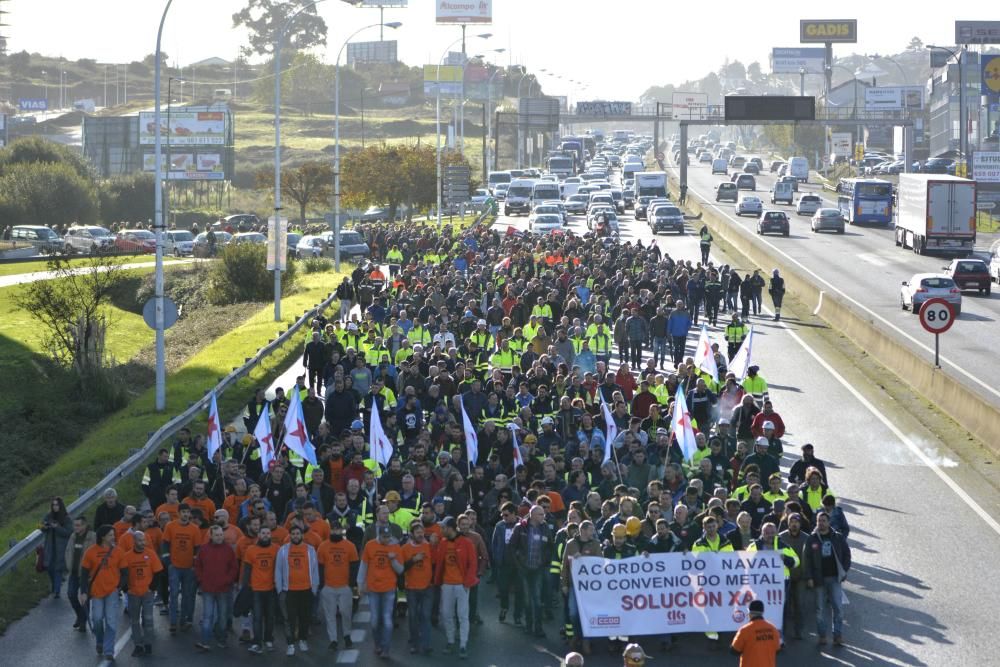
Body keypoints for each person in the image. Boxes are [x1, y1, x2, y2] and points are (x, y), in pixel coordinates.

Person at [433, 516, 479, 658]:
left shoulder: (466, 543)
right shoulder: (443, 543)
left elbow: (473, 563)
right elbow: (437, 561)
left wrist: (467, 582)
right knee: (447, 614)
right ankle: (451, 640)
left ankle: (463, 644)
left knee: (462, 615)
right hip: (447, 584)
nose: (441, 530)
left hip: (461, 585)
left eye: (443, 528)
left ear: (450, 528)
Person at [804, 511, 852, 647]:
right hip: (819, 579)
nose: (821, 523)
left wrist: (844, 570)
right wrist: (809, 577)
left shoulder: (837, 537)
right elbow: (806, 559)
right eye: (819, 521)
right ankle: (822, 635)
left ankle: (837, 635)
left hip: (834, 578)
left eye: (824, 521)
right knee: (819, 609)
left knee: (838, 608)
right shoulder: (811, 539)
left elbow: (847, 554)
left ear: (829, 522)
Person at [359, 523, 404, 658]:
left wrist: (393, 560)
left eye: (388, 537)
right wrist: (360, 584)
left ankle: (385, 648)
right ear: (379, 535)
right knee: (374, 621)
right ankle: (377, 644)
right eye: (384, 537)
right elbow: (364, 565)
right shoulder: (370, 546)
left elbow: (400, 570)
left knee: (387, 620)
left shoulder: (395, 547)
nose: (386, 540)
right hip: (373, 588)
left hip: (389, 588)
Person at [275, 524, 320, 655]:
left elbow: (315, 569)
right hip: (289, 591)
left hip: (306, 590)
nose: (295, 536)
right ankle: (290, 644)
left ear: (302, 535)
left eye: (297, 534)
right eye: (293, 534)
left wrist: (314, 588)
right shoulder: (283, 550)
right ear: (290, 536)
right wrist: (279, 589)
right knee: (289, 619)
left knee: (305, 617)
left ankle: (303, 640)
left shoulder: (310, 550)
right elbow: (278, 570)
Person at [194, 524, 239, 652]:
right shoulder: (204, 549)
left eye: (221, 535)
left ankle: (222, 639)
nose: (219, 537)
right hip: (208, 589)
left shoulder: (228, 550)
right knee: (207, 616)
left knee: (223, 616)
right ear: (211, 536)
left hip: (224, 589)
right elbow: (198, 566)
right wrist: (201, 579)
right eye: (217, 535)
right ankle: (205, 641)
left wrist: (228, 580)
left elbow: (234, 568)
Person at [119, 530, 164, 657]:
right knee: (134, 620)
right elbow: (123, 574)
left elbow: (158, 572)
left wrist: (152, 588)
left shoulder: (150, 554)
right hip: (133, 593)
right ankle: (138, 645)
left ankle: (148, 643)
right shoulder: (127, 556)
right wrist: (126, 589)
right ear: (134, 541)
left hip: (147, 593)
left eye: (144, 540)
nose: (142, 542)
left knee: (148, 619)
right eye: (140, 540)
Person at [79, 525, 120, 661]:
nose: (113, 537)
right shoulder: (91, 552)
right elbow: (84, 574)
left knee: (111, 621)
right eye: (110, 535)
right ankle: (100, 641)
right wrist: (84, 592)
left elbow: (125, 571)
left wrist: (119, 586)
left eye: (113, 535)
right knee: (97, 619)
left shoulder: (117, 551)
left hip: (112, 592)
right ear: (102, 537)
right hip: (96, 592)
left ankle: (109, 650)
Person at [318, 519, 358, 653]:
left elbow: (354, 566)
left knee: (346, 613)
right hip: (328, 586)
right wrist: (321, 585)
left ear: (342, 530)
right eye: (333, 529)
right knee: (330, 615)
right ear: (330, 530)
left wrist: (352, 584)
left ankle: (347, 635)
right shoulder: (323, 546)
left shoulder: (350, 546)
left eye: (337, 529)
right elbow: (320, 566)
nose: (335, 531)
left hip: (344, 586)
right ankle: (333, 640)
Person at [243, 525, 279, 654]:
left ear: (271, 535)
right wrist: (245, 587)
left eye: (268, 533)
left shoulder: (276, 549)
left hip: (271, 588)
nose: (265, 535)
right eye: (263, 533)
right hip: (256, 589)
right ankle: (257, 642)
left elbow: (280, 568)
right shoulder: (251, 550)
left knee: (270, 617)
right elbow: (247, 569)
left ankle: (268, 639)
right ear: (258, 535)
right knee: (257, 617)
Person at [402, 519, 434, 655]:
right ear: (412, 534)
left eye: (422, 532)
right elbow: (402, 568)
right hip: (412, 588)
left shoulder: (429, 547)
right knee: (413, 616)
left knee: (426, 616)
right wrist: (413, 560)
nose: (420, 535)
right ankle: (414, 643)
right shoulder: (405, 549)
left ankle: (426, 645)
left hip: (427, 588)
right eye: (418, 533)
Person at [65, 515, 96, 632]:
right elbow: (68, 551)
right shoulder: (73, 536)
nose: (75, 527)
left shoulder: (92, 537)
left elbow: (95, 554)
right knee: (71, 594)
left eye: (78, 525)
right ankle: (80, 615)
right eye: (74, 525)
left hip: (86, 573)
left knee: (85, 599)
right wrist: (69, 566)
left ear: (85, 525)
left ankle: (83, 623)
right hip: (73, 572)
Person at [730, 599, 781, 666]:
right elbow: (777, 650)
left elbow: (734, 651)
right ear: (762, 612)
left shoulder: (745, 630)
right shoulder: (773, 629)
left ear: (750, 613)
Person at [40, 496, 72, 598]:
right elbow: (41, 525)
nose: (55, 507)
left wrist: (57, 527)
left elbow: (68, 532)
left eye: (57, 505)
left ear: (60, 506)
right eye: (53, 505)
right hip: (50, 546)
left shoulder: (66, 518)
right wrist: (44, 526)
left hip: (61, 547)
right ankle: (55, 585)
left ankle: (57, 590)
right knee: (49, 567)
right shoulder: (49, 516)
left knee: (58, 568)